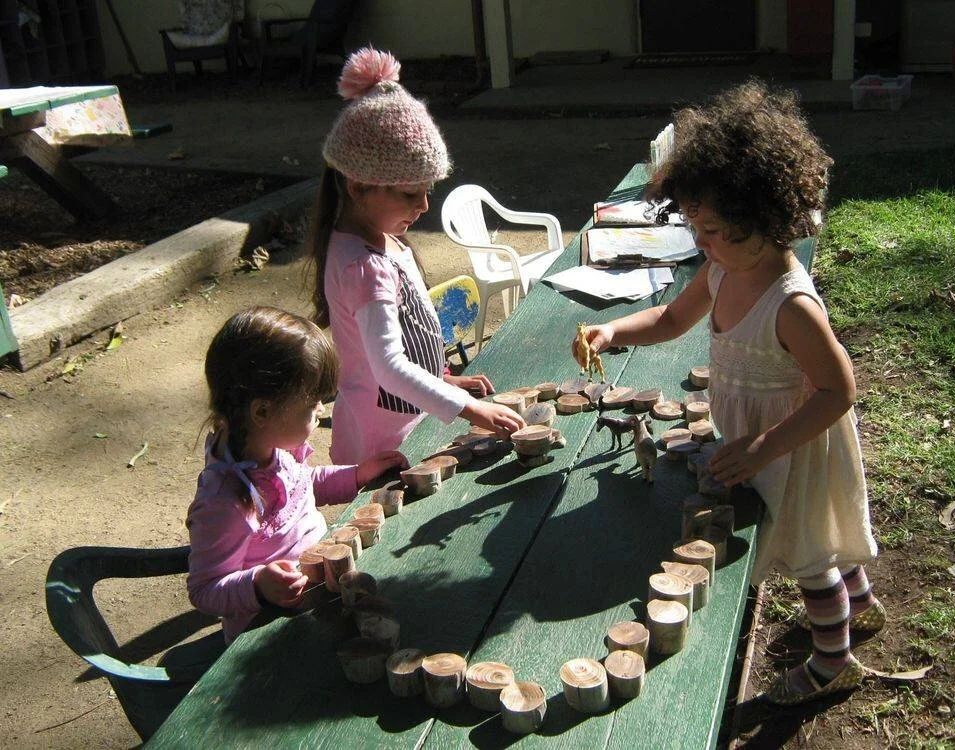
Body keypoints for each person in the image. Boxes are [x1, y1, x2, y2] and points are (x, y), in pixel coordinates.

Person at [574, 81, 880, 704]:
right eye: (695, 229)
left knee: (804, 552)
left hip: (792, 445)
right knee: (820, 533)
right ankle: (864, 604)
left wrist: (766, 446)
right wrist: (610, 328)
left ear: (766, 218)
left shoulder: (790, 304)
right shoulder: (721, 270)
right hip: (755, 441)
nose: (702, 245)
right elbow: (666, 321)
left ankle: (832, 661)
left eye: (714, 231)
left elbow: (838, 391)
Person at [308, 47, 525, 464]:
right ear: (357, 187)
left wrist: (446, 381)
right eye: (410, 194)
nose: (424, 205)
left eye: (429, 190)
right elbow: (388, 367)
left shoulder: (385, 240)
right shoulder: (364, 267)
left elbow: (404, 342)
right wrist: (469, 409)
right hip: (380, 445)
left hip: (411, 424)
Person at [186, 306, 407, 643]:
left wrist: (357, 475)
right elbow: (204, 590)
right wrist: (258, 583)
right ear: (262, 411)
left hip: (323, 590)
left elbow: (305, 485)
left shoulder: (269, 447)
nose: (320, 410)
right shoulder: (226, 502)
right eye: (312, 403)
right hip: (272, 631)